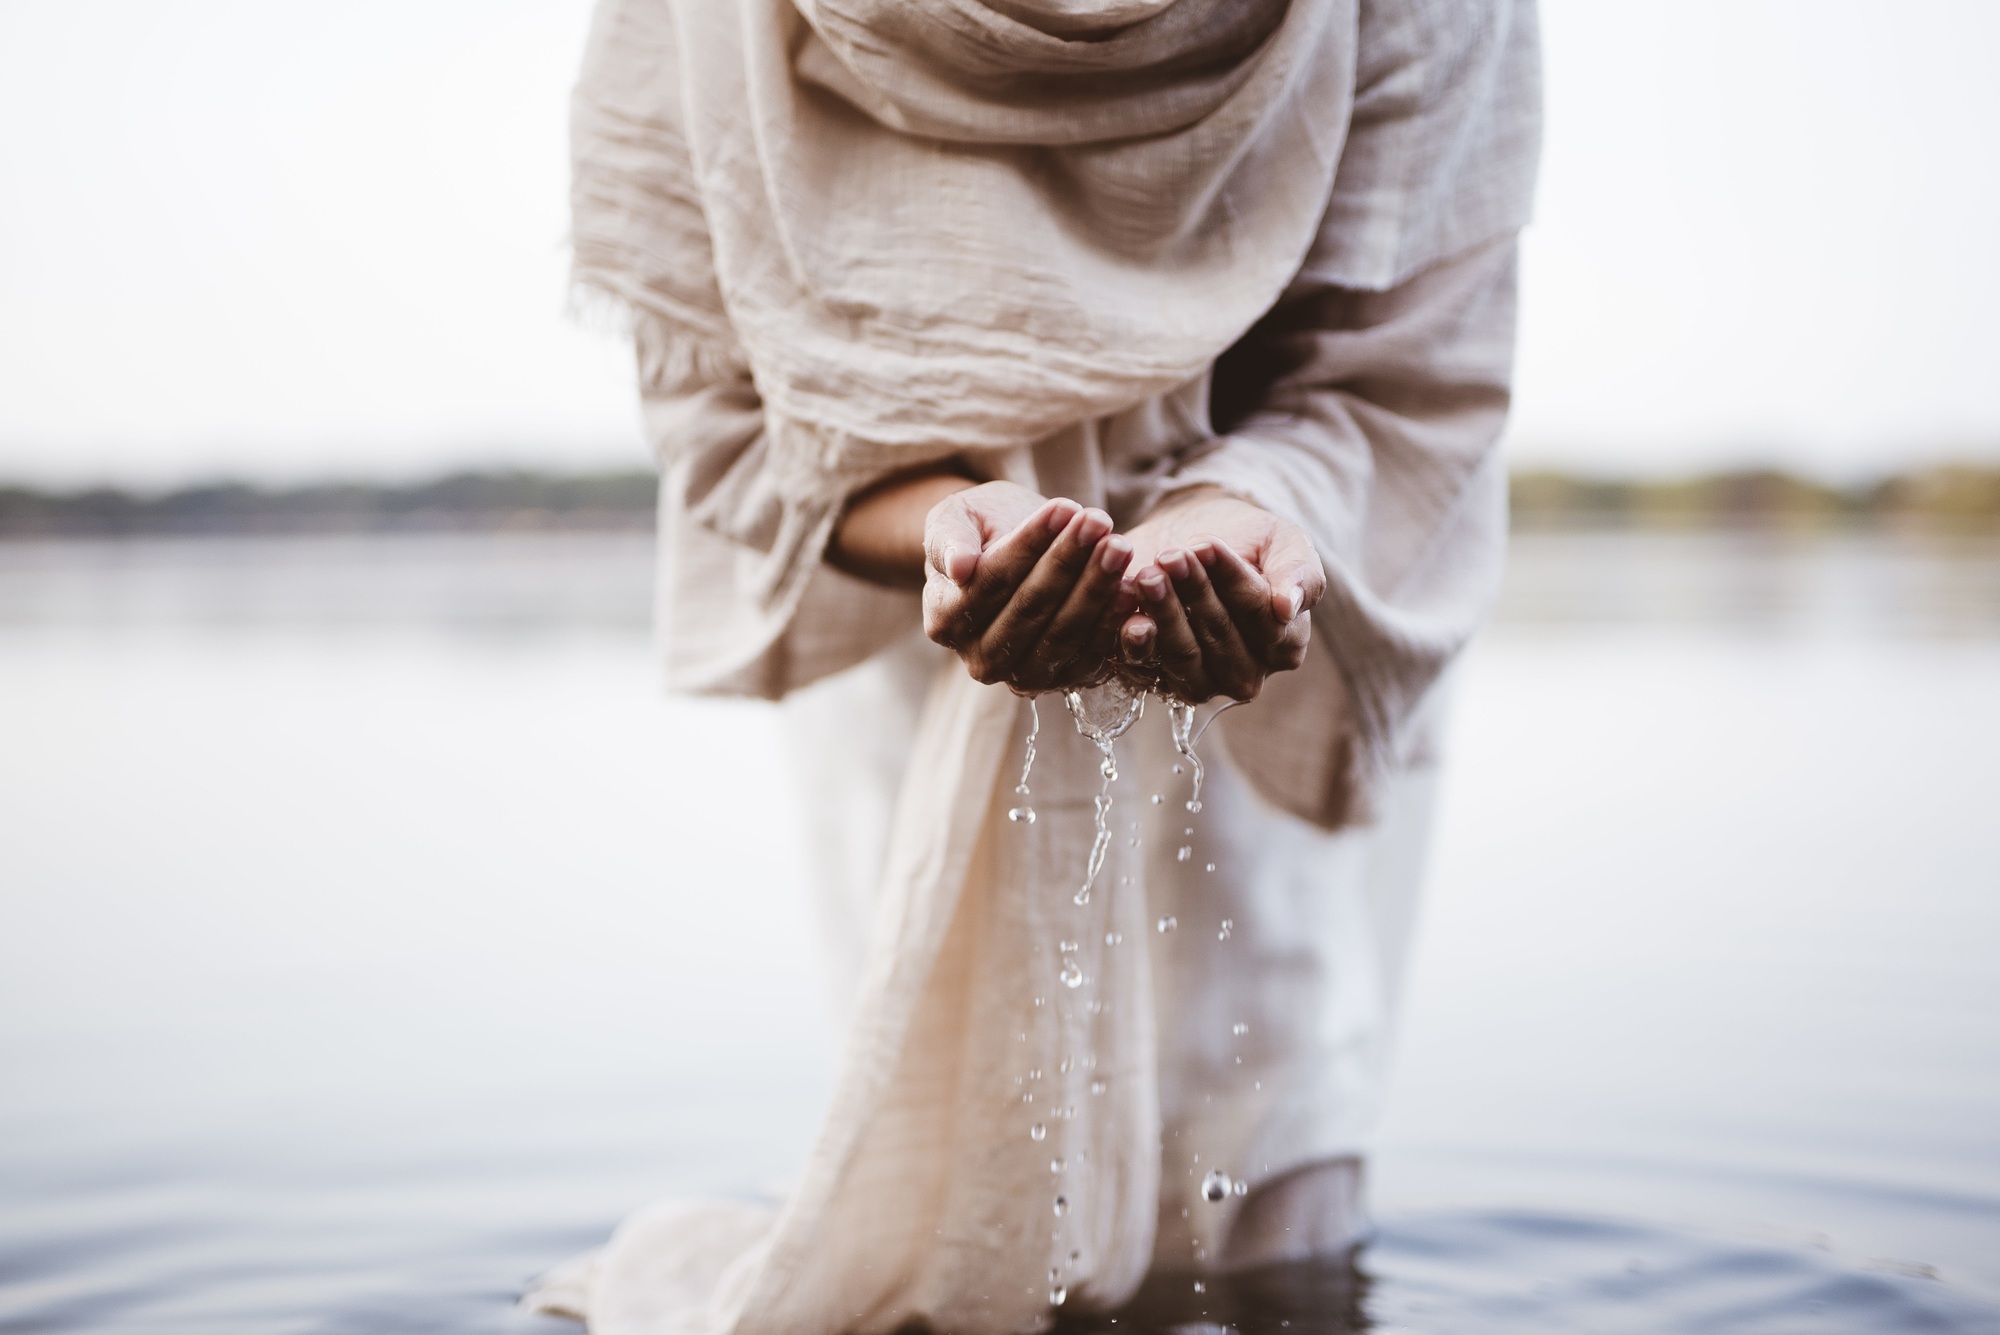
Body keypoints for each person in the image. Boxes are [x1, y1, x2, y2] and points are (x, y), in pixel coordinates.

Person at [529, 1, 1540, 1331]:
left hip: (1302, 563)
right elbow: (724, 397)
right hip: (907, 604)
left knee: (1270, 1158)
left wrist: (1240, 516)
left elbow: (1399, 366)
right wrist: (944, 526)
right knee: (969, 1112)